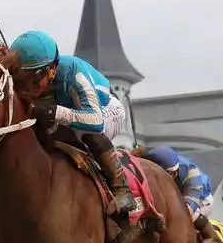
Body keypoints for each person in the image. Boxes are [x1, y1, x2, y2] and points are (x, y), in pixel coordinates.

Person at [9, 30, 135, 216]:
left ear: (52, 69)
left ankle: (121, 187)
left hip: (107, 112)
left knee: (87, 133)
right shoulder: (36, 76)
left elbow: (96, 121)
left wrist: (56, 112)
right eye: (22, 80)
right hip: (73, 116)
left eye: (34, 81)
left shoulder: (73, 72)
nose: (29, 88)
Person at [135, 145, 223, 243]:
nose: (172, 176)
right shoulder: (143, 161)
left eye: (172, 173)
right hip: (170, 196)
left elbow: (189, 207)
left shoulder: (191, 173)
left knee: (188, 216)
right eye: (169, 173)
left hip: (200, 198)